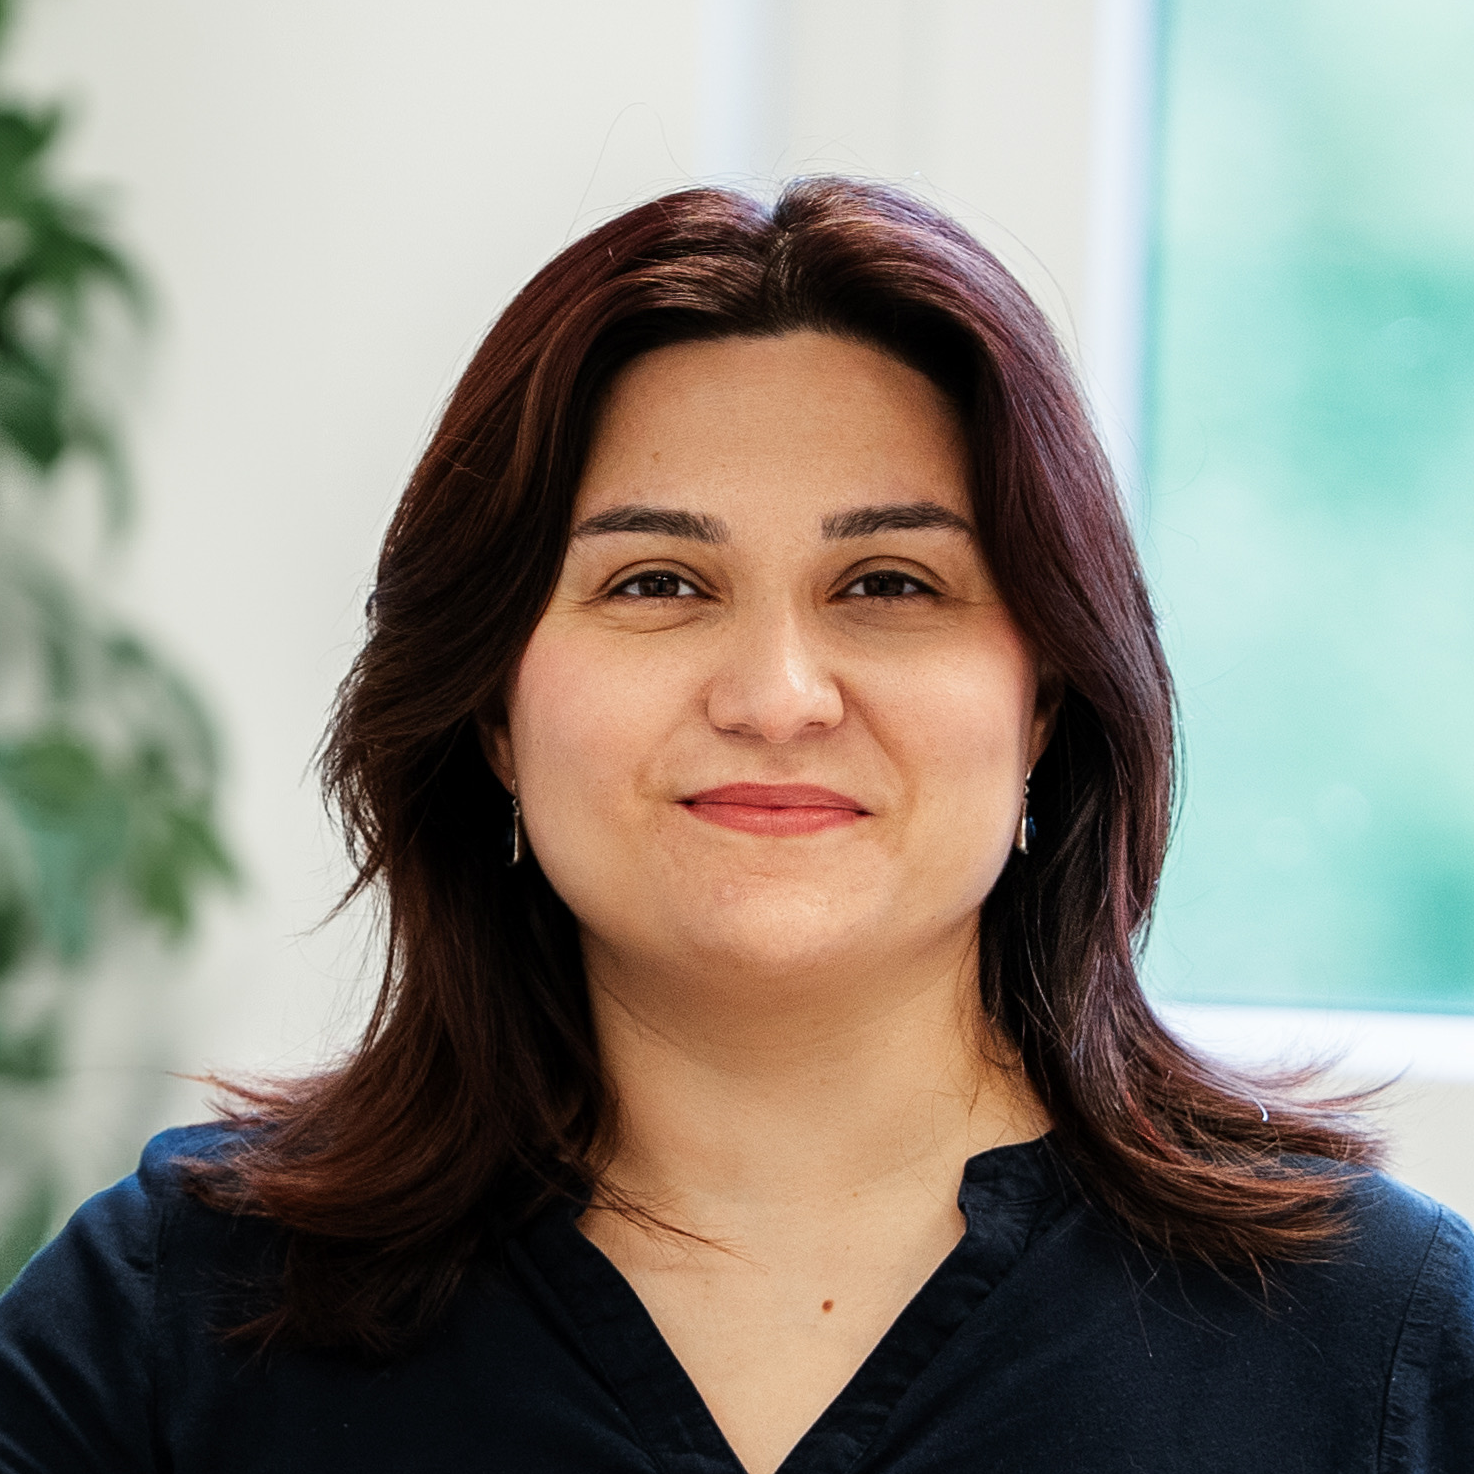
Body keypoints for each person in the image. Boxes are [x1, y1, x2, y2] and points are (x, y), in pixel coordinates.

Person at [0, 177, 1469, 1474]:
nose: (776, 696)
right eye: (656, 584)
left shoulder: (1378, 1352)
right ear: (493, 708)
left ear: (1043, 702)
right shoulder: (168, 1323)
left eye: (888, 584)